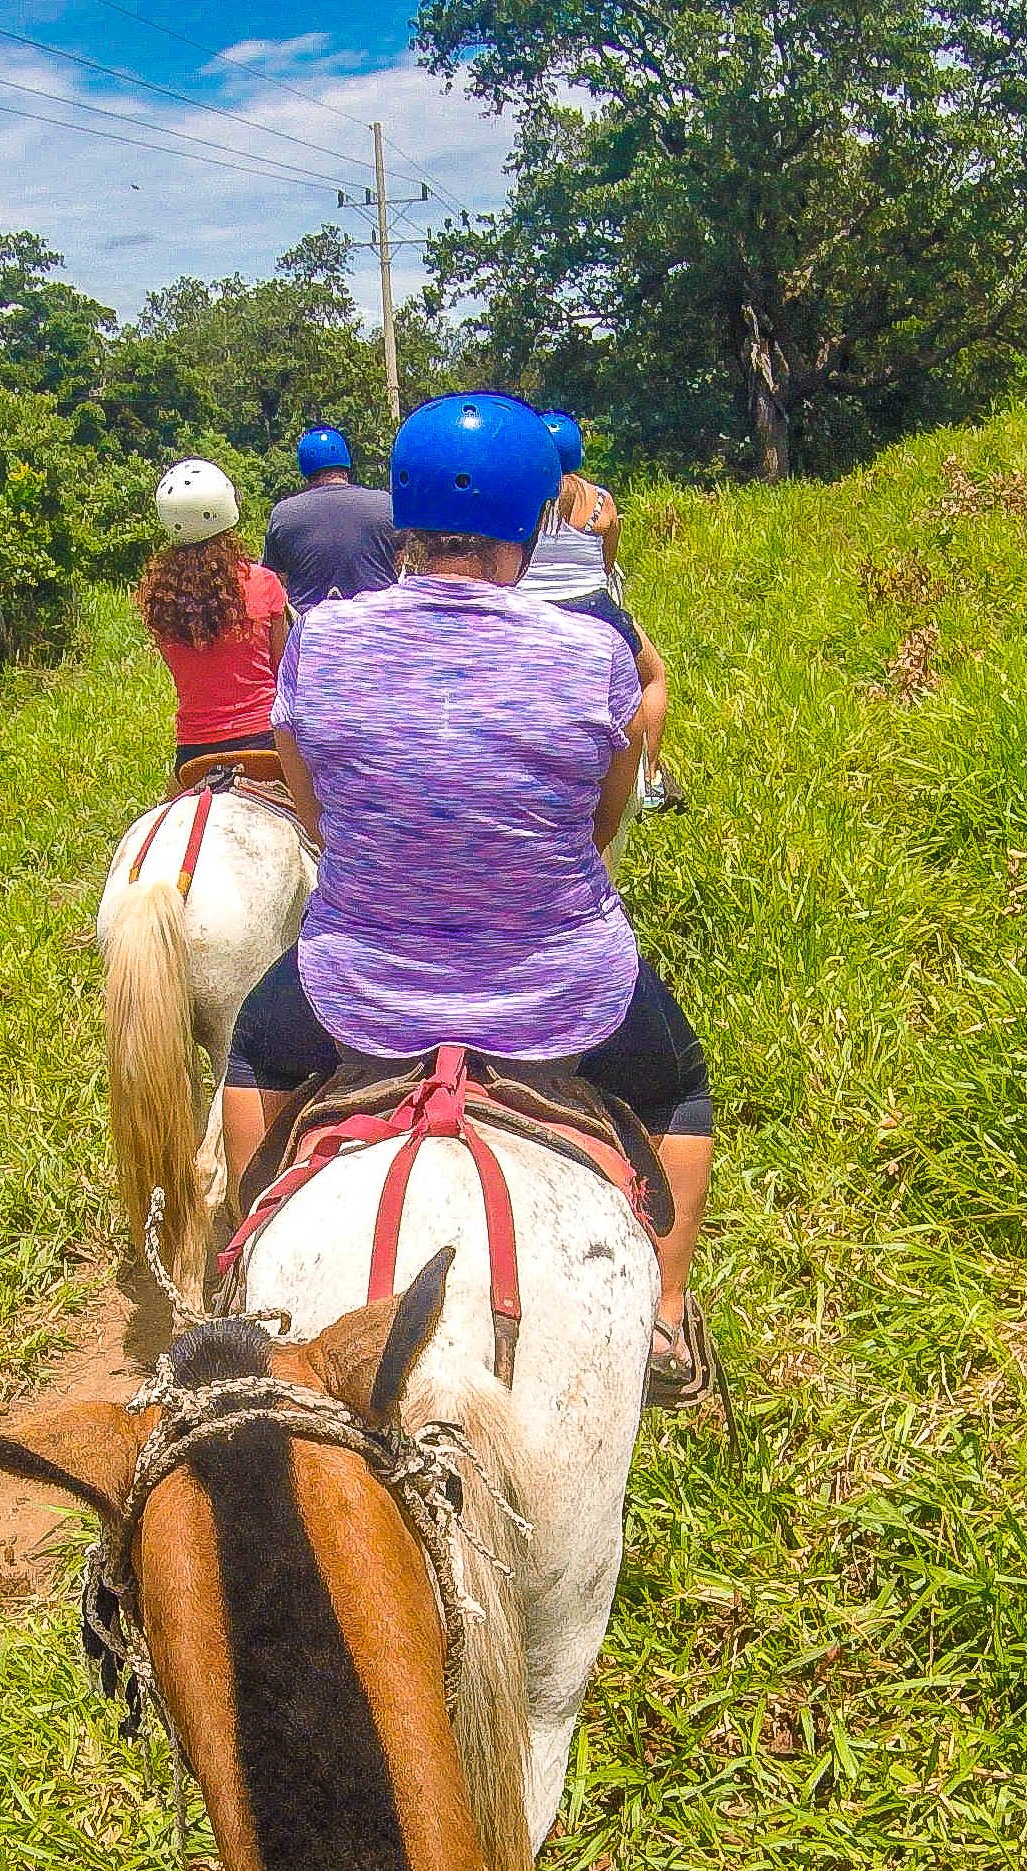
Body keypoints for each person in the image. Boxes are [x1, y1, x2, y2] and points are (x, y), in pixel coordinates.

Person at [221, 395, 716, 1403]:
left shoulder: (324, 641)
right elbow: (600, 821)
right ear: (533, 523)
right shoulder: (594, 652)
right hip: (561, 991)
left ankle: (239, 1292)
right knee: (678, 1088)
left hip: (359, 987)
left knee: (252, 1053)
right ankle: (664, 1315)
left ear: (406, 518)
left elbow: (310, 811)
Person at [517, 409, 669, 772]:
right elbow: (607, 563)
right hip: (592, 606)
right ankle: (648, 777)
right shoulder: (600, 500)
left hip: (529, 605)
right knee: (654, 675)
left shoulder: (521, 496)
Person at [142, 458, 290, 771]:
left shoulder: (161, 598)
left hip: (194, 751)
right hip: (264, 740)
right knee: (317, 815)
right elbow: (283, 672)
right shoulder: (264, 583)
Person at [261, 423, 400, 611]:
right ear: (346, 463)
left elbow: (274, 580)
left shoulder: (284, 514)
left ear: (305, 470)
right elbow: (404, 559)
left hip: (310, 628)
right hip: (376, 625)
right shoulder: (385, 504)